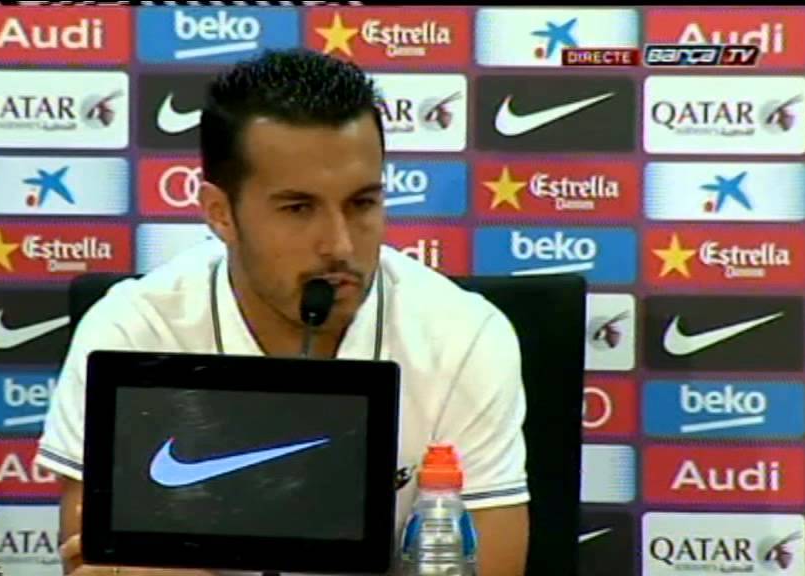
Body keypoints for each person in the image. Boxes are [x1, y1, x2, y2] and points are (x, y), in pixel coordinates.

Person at [37, 48, 530, 576]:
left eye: (362, 203)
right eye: (298, 208)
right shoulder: (135, 329)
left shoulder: (462, 336)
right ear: (220, 213)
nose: (340, 245)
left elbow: (489, 565)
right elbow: (98, 563)